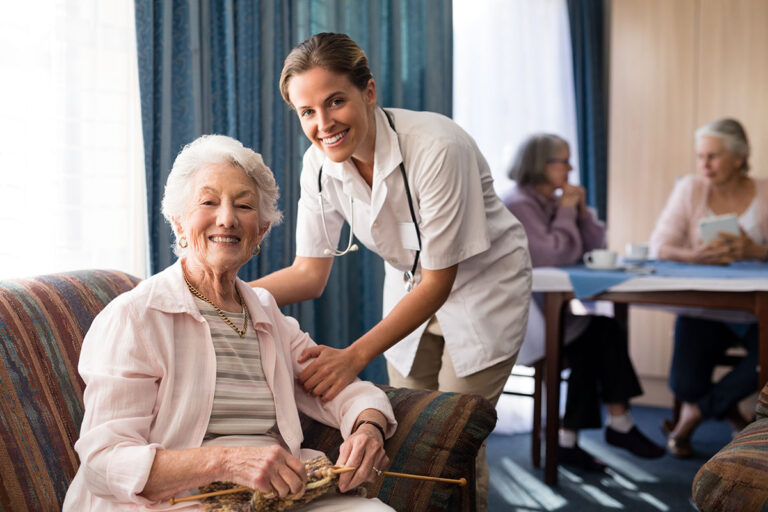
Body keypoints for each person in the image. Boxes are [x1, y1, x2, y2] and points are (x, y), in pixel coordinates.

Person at [250, 32, 531, 510]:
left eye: (335, 101)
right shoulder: (316, 165)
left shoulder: (437, 146)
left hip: (484, 292)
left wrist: (353, 356)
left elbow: (440, 281)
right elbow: (308, 274)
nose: (323, 124)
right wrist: (208, 291)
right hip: (409, 291)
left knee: (455, 432)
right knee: (410, 423)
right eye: (307, 112)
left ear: (370, 92)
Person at [63, 135, 397, 511]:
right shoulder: (135, 316)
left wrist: (368, 428)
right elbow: (103, 462)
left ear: (262, 230)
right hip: (176, 500)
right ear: (178, 222)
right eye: (208, 202)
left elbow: (344, 389)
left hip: (270, 497)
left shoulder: (266, 313)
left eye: (243, 205)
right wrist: (227, 462)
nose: (227, 218)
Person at [504, 133, 664, 471]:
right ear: (539, 164)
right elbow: (551, 255)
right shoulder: (519, 204)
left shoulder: (551, 202)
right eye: (563, 160)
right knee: (601, 334)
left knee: (597, 337)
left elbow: (593, 246)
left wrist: (581, 211)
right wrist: (566, 212)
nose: (570, 167)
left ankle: (571, 441)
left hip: (550, 313)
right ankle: (613, 425)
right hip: (522, 320)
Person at [649, 118, 768, 457]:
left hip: (756, 313)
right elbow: (659, 245)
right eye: (700, 156)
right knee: (684, 383)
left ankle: (693, 415)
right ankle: (733, 415)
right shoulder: (691, 187)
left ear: (739, 157)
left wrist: (756, 251)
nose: (704, 165)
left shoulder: (764, 191)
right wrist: (694, 256)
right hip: (704, 310)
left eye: (713, 156)